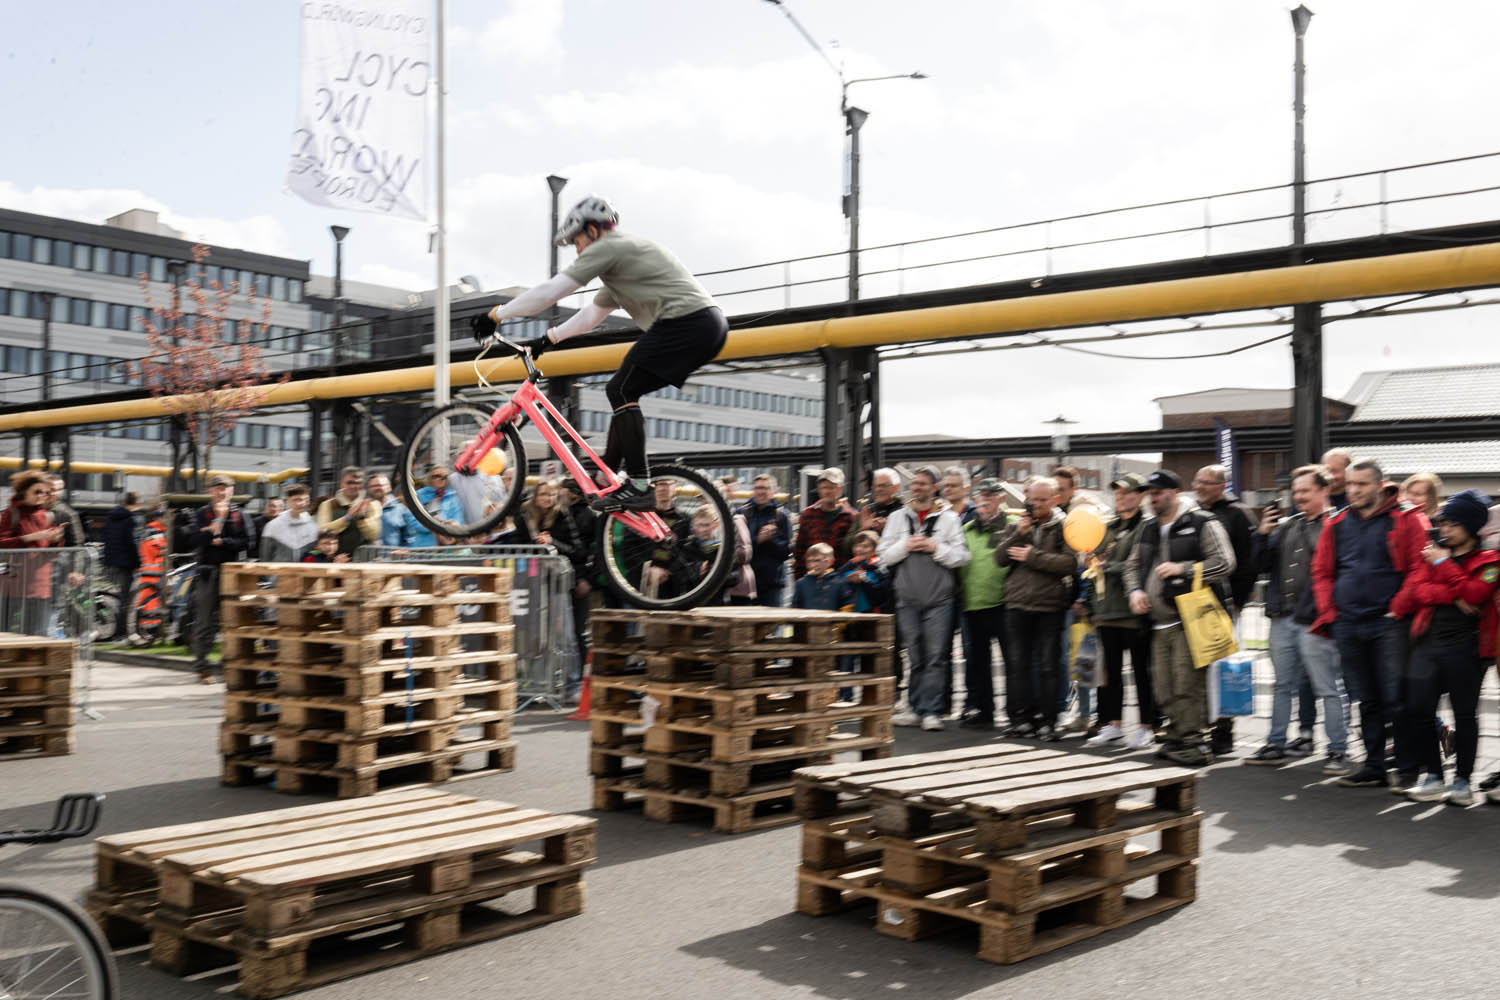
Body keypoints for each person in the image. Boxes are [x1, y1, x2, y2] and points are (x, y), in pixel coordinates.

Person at [470, 195, 728, 513]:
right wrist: (548, 339)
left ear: (593, 230)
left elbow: (552, 291)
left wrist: (496, 315)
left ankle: (639, 485)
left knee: (620, 389)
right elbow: (592, 315)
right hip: (705, 326)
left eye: (577, 242)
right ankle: (608, 474)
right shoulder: (622, 263)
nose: (578, 251)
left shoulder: (610, 246)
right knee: (625, 393)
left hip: (687, 322)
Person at [1310, 459, 1430, 788]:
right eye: (1350, 484)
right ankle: (1374, 766)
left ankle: (1408, 770)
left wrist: (1398, 606)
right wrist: (1331, 612)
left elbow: (1420, 567)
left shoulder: (1406, 517)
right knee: (1366, 699)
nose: (1353, 490)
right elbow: (1321, 571)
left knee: (1397, 699)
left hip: (1389, 623)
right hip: (1348, 622)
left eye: (1361, 484)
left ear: (1379, 485)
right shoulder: (1337, 522)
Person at [1389, 489, 1497, 805]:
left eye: (1452, 524)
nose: (1444, 529)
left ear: (1471, 525)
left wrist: (1442, 564)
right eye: (1442, 523)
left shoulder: (1490, 560)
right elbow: (1417, 592)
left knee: (1465, 715)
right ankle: (1434, 777)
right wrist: (1453, 592)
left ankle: (1462, 782)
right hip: (1427, 644)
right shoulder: (1432, 553)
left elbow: (1476, 594)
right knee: (1418, 711)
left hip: (1466, 649)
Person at [1124, 469, 1236, 766]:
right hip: (1157, 623)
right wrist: (1135, 591)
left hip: (1191, 620)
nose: (1152, 498)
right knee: (1163, 686)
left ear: (1174, 493)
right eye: (1150, 493)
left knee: (1187, 685)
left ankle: (1193, 741)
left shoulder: (1202, 521)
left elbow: (1225, 562)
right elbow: (1132, 566)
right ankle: (1176, 735)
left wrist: (1184, 569)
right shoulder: (1148, 528)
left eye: (1158, 493)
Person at [1243, 465, 1350, 773]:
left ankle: (1337, 751)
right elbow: (1260, 566)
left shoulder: (1338, 525)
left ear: (1324, 490)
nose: (1299, 496)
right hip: (1282, 617)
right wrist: (1262, 534)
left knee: (1328, 687)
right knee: (1282, 686)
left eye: (1305, 491)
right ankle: (1275, 744)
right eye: (1296, 491)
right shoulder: (1288, 525)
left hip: (1316, 621)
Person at [879, 465, 969, 731]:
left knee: (936, 656)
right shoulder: (898, 517)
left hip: (940, 600)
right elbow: (883, 556)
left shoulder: (949, 519)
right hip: (907, 598)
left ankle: (931, 710)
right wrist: (905, 545)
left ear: (934, 488)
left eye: (922, 484)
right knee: (915, 655)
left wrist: (934, 547)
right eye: (914, 483)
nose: (917, 488)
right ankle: (914, 707)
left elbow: (962, 557)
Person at [996, 476, 1077, 740]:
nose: (1037, 505)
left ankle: (1048, 720)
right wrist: (1018, 535)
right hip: (1017, 603)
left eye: (1043, 500)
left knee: (1048, 666)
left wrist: (1032, 556)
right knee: (1017, 665)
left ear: (1055, 500)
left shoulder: (1064, 526)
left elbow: (1069, 564)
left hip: (1049, 606)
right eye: (1032, 500)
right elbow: (999, 559)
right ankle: (1021, 718)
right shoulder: (1016, 524)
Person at [1084, 474, 1159, 751]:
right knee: (1110, 674)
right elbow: (1093, 565)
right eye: (1117, 493)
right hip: (1107, 612)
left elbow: (1140, 564)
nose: (1121, 498)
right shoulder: (1108, 527)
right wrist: (1092, 604)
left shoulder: (1147, 526)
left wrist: (1109, 567)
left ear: (1140, 495)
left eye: (1127, 493)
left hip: (1133, 612)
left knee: (1142, 673)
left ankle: (1146, 727)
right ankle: (1112, 726)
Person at [1193, 464, 1257, 755]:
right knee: (1198, 670)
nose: (1200, 487)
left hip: (1224, 606)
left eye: (1207, 482)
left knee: (1221, 670)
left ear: (1222, 486)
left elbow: (1248, 564)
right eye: (1197, 481)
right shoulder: (1192, 512)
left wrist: (1236, 603)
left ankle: (1223, 731)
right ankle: (1199, 727)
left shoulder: (1238, 514)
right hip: (1193, 605)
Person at [187, 474, 254, 682]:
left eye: (225, 488)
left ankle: (230, 666)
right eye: (217, 488)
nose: (221, 492)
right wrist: (212, 528)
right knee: (204, 622)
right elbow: (193, 539)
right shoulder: (202, 513)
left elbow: (248, 541)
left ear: (231, 491)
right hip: (207, 573)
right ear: (210, 491)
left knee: (232, 622)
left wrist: (223, 541)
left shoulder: (240, 514)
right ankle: (203, 668)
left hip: (231, 573)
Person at [957, 478, 1010, 729]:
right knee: (978, 664)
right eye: (981, 496)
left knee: (1012, 661)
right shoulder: (966, 528)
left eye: (990, 495)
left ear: (1001, 498)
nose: (985, 500)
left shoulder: (1012, 524)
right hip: (973, 604)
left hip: (1004, 604)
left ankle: (1016, 712)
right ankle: (984, 711)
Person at [0, 471, 66, 635]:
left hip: (39, 584)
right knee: (5, 632)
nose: (42, 496)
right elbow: (2, 543)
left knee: (37, 634)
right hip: (12, 584)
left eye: (45, 492)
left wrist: (56, 540)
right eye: (37, 491)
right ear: (24, 491)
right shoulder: (12, 513)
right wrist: (32, 537)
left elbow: (52, 554)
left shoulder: (47, 515)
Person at [739, 474, 793, 608]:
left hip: (773, 585)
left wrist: (771, 540)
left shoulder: (782, 515)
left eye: (765, 488)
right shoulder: (742, 513)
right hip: (746, 584)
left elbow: (786, 552)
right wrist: (758, 539)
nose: (760, 492)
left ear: (774, 491)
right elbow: (736, 549)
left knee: (773, 621)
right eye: (757, 488)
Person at [792, 468, 856, 580]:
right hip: (812, 580)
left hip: (840, 581)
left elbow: (854, 552)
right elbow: (799, 550)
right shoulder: (808, 514)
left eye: (831, 487)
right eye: (823, 487)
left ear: (840, 489)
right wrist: (799, 580)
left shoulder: (851, 517)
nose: (827, 491)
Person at [101, 491, 142, 641]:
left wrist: (107, 559)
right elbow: (132, 543)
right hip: (127, 562)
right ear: (136, 503)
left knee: (119, 597)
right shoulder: (130, 519)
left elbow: (106, 538)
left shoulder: (110, 517)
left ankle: (117, 631)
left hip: (113, 561)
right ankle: (121, 632)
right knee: (125, 600)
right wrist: (137, 562)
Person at [316, 466, 382, 558]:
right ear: (341, 484)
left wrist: (362, 518)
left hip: (366, 559)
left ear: (362, 485)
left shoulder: (373, 504)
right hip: (335, 560)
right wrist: (346, 518)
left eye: (357, 483)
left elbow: (374, 535)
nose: (353, 486)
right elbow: (323, 530)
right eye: (349, 482)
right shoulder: (327, 504)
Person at [259, 485, 319, 563]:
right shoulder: (272, 525)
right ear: (287, 501)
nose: (302, 503)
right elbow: (265, 557)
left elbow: (317, 553)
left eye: (306, 500)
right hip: (280, 570)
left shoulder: (313, 526)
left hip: (305, 570)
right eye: (297, 499)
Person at [411, 465, 464, 548]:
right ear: (429, 478)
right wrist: (433, 525)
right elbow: (413, 521)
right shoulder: (419, 495)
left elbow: (458, 519)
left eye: (444, 477)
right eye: (436, 476)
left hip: (447, 544)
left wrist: (452, 524)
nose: (441, 479)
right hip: (425, 545)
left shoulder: (452, 496)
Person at [792, 543, 847, 612]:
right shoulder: (801, 583)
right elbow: (795, 608)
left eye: (817, 560)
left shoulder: (840, 582)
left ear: (830, 562)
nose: (813, 565)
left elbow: (846, 607)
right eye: (809, 561)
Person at [366, 474, 411, 548]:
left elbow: (409, 537)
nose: (377, 488)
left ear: (389, 487)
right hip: (369, 554)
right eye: (373, 486)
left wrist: (404, 550)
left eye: (380, 485)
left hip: (393, 554)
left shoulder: (401, 509)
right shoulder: (363, 509)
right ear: (368, 489)